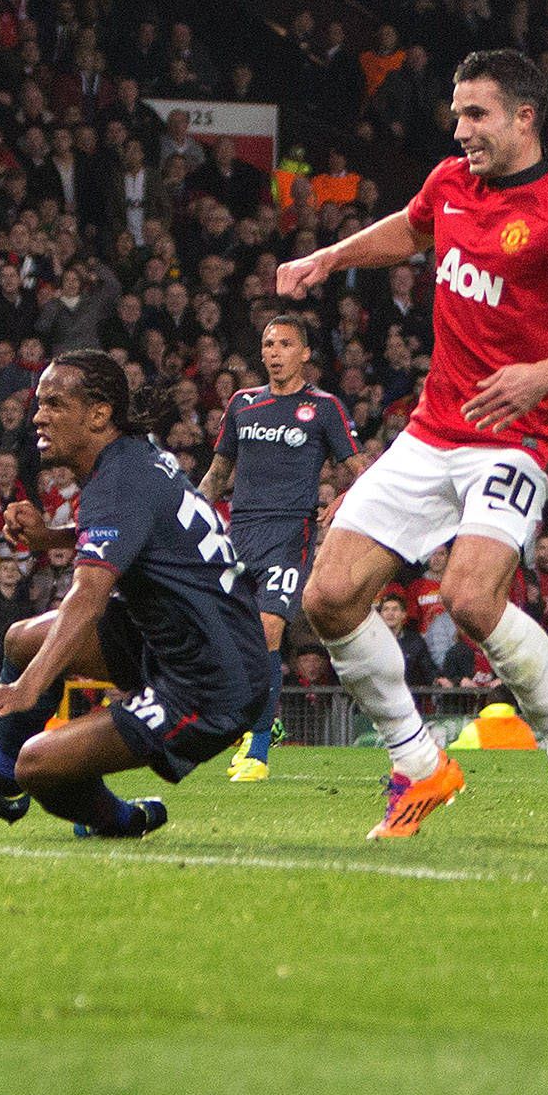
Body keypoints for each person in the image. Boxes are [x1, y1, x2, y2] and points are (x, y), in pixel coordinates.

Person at [276, 49, 548, 842]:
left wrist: (538, 376)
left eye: (477, 115)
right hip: (433, 430)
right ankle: (418, 763)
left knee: (470, 599)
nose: (461, 129)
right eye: (457, 114)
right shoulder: (450, 184)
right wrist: (330, 257)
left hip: (512, 437)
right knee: (327, 597)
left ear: (525, 118)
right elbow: (408, 230)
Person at [0, 351, 269, 839]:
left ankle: (120, 820)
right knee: (22, 639)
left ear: (98, 415)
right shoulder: (130, 458)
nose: (39, 415)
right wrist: (49, 539)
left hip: (211, 679)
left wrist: (28, 688)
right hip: (170, 638)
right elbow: (137, 529)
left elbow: (88, 594)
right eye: (39, 403)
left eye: (55, 404)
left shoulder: (118, 478)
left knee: (41, 763)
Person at [198, 311, 364, 780]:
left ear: (305, 353)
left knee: (269, 630)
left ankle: (258, 752)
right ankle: (256, 720)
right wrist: (182, 512)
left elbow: (360, 472)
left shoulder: (324, 407)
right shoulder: (242, 404)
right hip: (240, 535)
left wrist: (344, 500)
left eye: (285, 345)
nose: (274, 353)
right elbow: (217, 475)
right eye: (269, 345)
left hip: (291, 533)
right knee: (235, 637)